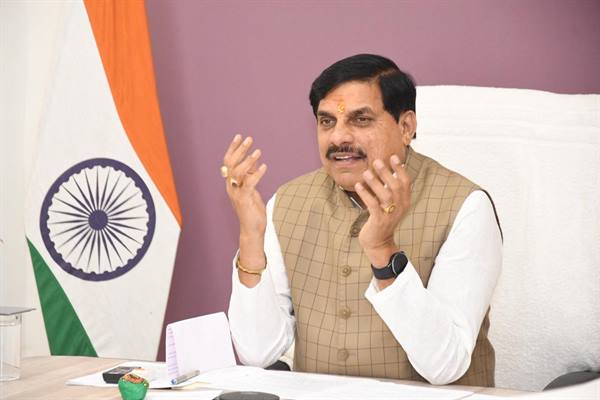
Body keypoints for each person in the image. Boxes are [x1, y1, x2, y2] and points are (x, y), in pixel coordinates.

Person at [221, 54, 502, 386]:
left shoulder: (464, 206)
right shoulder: (288, 202)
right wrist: (251, 238)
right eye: (327, 122)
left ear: (406, 127)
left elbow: (445, 366)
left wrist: (384, 253)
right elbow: (258, 353)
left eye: (361, 120)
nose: (339, 137)